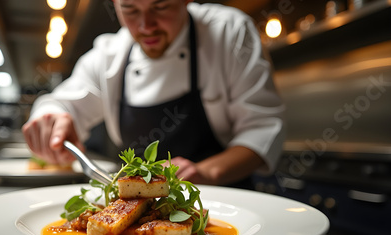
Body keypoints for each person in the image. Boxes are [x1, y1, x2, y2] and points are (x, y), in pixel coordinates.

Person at [22, 0, 285, 187]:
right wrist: (51, 119)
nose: (146, 26)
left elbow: (262, 129)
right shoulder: (109, 54)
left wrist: (204, 172)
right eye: (130, 9)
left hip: (231, 207)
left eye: (160, 6)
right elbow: (60, 103)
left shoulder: (229, 32)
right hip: (139, 213)